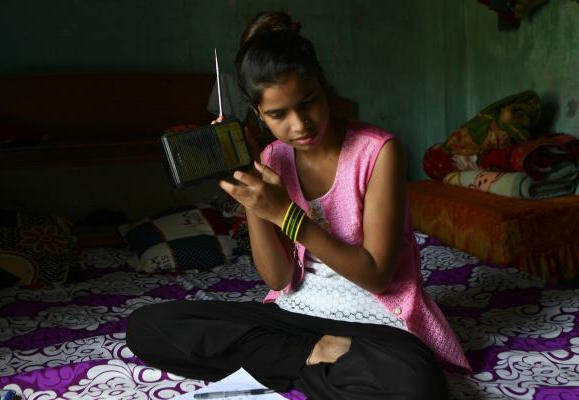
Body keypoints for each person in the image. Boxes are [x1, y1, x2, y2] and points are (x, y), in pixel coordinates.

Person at [127, 11, 471, 399]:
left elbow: (377, 275)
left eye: (308, 103)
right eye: (278, 114)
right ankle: (312, 357)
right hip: (295, 318)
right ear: (259, 115)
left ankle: (292, 365)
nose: (300, 124)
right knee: (148, 325)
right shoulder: (274, 158)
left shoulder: (379, 151)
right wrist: (253, 188)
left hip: (379, 323)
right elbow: (278, 280)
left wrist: (285, 215)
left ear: (324, 89)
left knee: (414, 381)